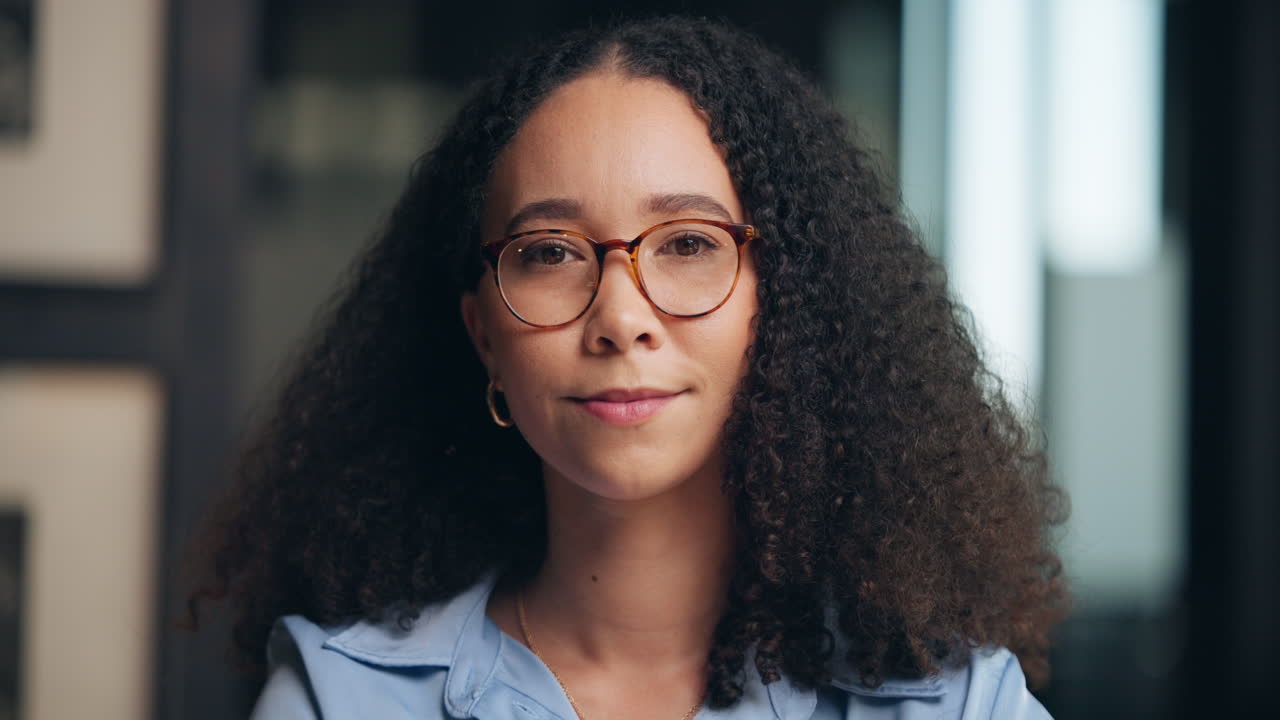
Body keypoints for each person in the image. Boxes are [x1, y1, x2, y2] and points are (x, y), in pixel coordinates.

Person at [187, 15, 1068, 720]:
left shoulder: (956, 706)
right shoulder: (339, 700)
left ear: (787, 307)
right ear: (484, 335)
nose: (618, 317)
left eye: (688, 242)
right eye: (549, 250)